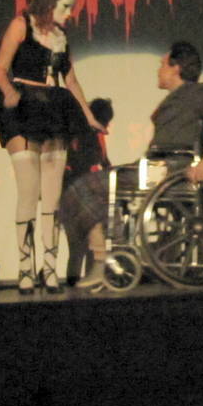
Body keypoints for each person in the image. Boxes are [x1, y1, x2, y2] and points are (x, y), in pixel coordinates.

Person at [60, 41, 203, 290]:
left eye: (162, 64)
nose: (158, 70)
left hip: (167, 168)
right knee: (83, 189)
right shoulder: (179, 98)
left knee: (83, 188)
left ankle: (106, 257)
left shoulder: (196, 94)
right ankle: (109, 253)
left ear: (176, 68)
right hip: (156, 166)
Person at [0, 0, 104, 294]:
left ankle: (49, 269)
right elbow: (0, 68)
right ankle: (25, 269)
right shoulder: (21, 25)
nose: (70, 13)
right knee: (28, 190)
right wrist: (9, 92)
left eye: (72, 7)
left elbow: (70, 80)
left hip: (54, 110)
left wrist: (89, 117)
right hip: (23, 109)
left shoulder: (61, 37)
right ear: (49, 1)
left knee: (52, 195)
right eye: (66, 6)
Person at [63, 97, 114, 286]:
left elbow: (105, 162)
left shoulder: (87, 133)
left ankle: (81, 282)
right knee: (82, 245)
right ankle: (79, 283)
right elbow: (95, 161)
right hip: (78, 193)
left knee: (85, 246)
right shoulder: (84, 133)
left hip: (78, 192)